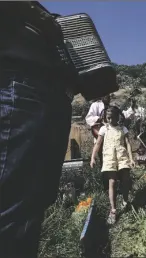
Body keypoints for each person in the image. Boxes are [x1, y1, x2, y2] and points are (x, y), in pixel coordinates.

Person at [0, 2, 78, 257]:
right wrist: (39, 16)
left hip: (50, 94)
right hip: (18, 84)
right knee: (12, 201)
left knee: (35, 201)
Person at [90, 106, 135, 225]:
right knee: (112, 181)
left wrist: (131, 158)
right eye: (107, 118)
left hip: (122, 156)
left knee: (125, 178)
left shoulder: (123, 129)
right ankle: (113, 210)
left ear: (117, 117)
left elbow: (128, 144)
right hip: (109, 157)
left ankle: (125, 200)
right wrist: (93, 157)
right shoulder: (104, 129)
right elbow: (98, 143)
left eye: (112, 118)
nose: (109, 120)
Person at [85, 94, 111, 165]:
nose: (107, 97)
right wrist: (98, 119)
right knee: (101, 153)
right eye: (106, 95)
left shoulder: (111, 107)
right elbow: (88, 118)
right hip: (99, 131)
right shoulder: (95, 105)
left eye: (109, 95)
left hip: (110, 134)